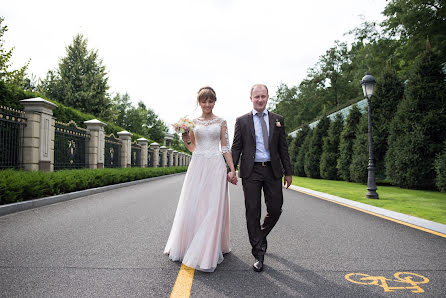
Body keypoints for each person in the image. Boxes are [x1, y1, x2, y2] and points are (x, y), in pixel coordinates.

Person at [164, 86, 237, 272]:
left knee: (213, 206)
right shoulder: (192, 123)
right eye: (204, 101)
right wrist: (185, 138)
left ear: (214, 101)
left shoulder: (221, 122)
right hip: (197, 165)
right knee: (194, 204)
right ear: (199, 102)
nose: (207, 104)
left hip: (215, 165)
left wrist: (232, 169)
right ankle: (191, 243)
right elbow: (192, 147)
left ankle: (209, 248)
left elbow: (225, 147)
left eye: (210, 100)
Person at [229, 84, 292, 272]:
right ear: (251, 99)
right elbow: (236, 147)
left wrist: (288, 172)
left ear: (267, 97)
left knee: (275, 208)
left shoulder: (277, 120)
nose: (260, 100)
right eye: (256, 97)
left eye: (263, 96)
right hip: (251, 171)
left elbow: (283, 148)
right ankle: (258, 253)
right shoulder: (242, 121)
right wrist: (231, 169)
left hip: (272, 170)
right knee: (252, 211)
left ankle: (260, 235)